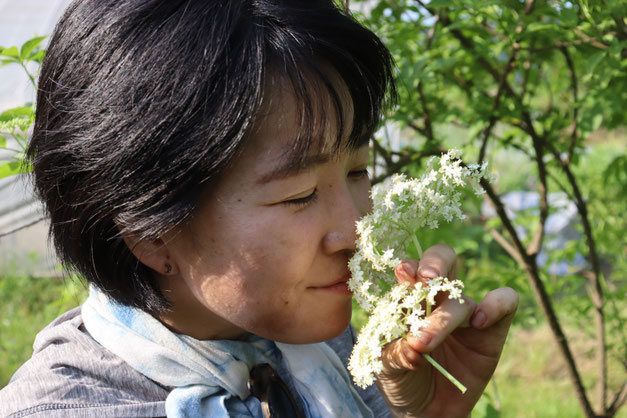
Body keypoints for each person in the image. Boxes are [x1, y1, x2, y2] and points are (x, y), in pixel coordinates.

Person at [0, 0, 518, 417]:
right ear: (149, 233)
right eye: (299, 195)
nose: (357, 232)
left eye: (358, 171)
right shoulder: (65, 408)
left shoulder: (333, 352)